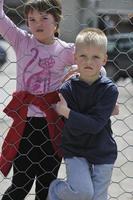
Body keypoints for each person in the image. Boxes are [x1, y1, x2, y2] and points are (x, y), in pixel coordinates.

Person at [48, 27, 119, 200]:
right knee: (83, 193)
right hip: (75, 148)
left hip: (102, 149)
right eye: (83, 56)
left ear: (104, 59)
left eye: (95, 57)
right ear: (75, 58)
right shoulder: (67, 89)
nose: (89, 61)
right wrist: (62, 110)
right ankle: (55, 189)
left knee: (98, 197)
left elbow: (95, 126)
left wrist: (67, 112)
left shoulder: (109, 90)